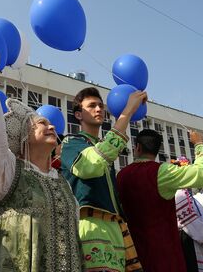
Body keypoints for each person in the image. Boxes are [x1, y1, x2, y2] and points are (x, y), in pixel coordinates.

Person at [0, 29, 82, 271]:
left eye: (50, 123)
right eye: (42, 123)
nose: (51, 125)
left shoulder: (63, 182)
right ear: (24, 135)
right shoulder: (8, 172)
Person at [60, 86, 147, 272]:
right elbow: (89, 167)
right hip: (90, 224)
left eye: (100, 105)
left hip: (115, 226)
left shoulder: (103, 147)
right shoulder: (70, 143)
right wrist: (127, 112)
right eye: (92, 106)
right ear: (78, 115)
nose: (99, 109)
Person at [115, 129, 203, 271]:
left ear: (137, 148)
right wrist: (199, 143)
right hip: (165, 255)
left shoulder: (121, 175)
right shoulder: (163, 172)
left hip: (132, 255)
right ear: (158, 150)